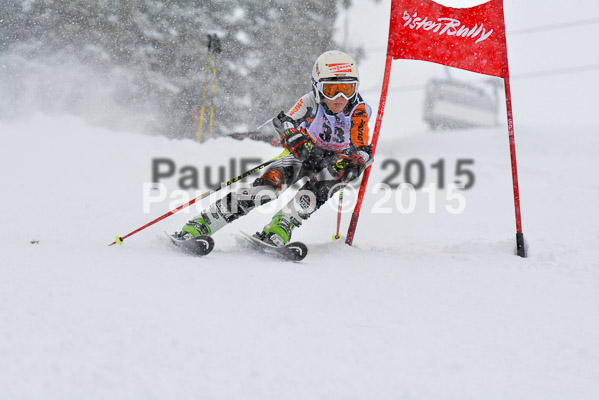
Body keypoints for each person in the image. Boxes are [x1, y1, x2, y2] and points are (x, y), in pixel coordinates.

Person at [177, 50, 373, 247]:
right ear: (317, 87)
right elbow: (285, 121)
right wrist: (295, 138)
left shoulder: (358, 109)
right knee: (267, 188)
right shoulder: (310, 102)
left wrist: (355, 159)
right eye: (331, 90)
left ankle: (281, 226)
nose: (340, 97)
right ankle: (204, 222)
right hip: (304, 153)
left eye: (347, 89)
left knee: (326, 183)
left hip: (333, 161)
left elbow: (361, 146)